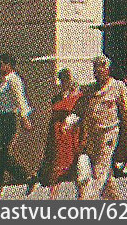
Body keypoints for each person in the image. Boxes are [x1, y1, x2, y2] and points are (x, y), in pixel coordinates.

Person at [76, 54, 127, 200]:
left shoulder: (118, 87)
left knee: (99, 170)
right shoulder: (90, 90)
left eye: (100, 70)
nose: (97, 73)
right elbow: (79, 111)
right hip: (92, 136)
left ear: (108, 70)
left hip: (108, 134)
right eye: (95, 70)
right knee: (106, 174)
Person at [0, 52, 34, 199]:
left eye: (0, 64)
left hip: (7, 121)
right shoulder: (4, 81)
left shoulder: (14, 80)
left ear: (9, 65)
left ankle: (27, 177)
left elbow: (20, 100)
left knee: (1, 155)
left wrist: (24, 118)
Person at [35, 68, 82, 197]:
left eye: (66, 79)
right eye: (62, 80)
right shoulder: (57, 97)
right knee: (55, 169)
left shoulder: (78, 98)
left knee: (75, 168)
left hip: (70, 134)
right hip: (56, 134)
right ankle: (52, 198)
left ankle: (83, 197)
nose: (64, 82)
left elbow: (78, 115)